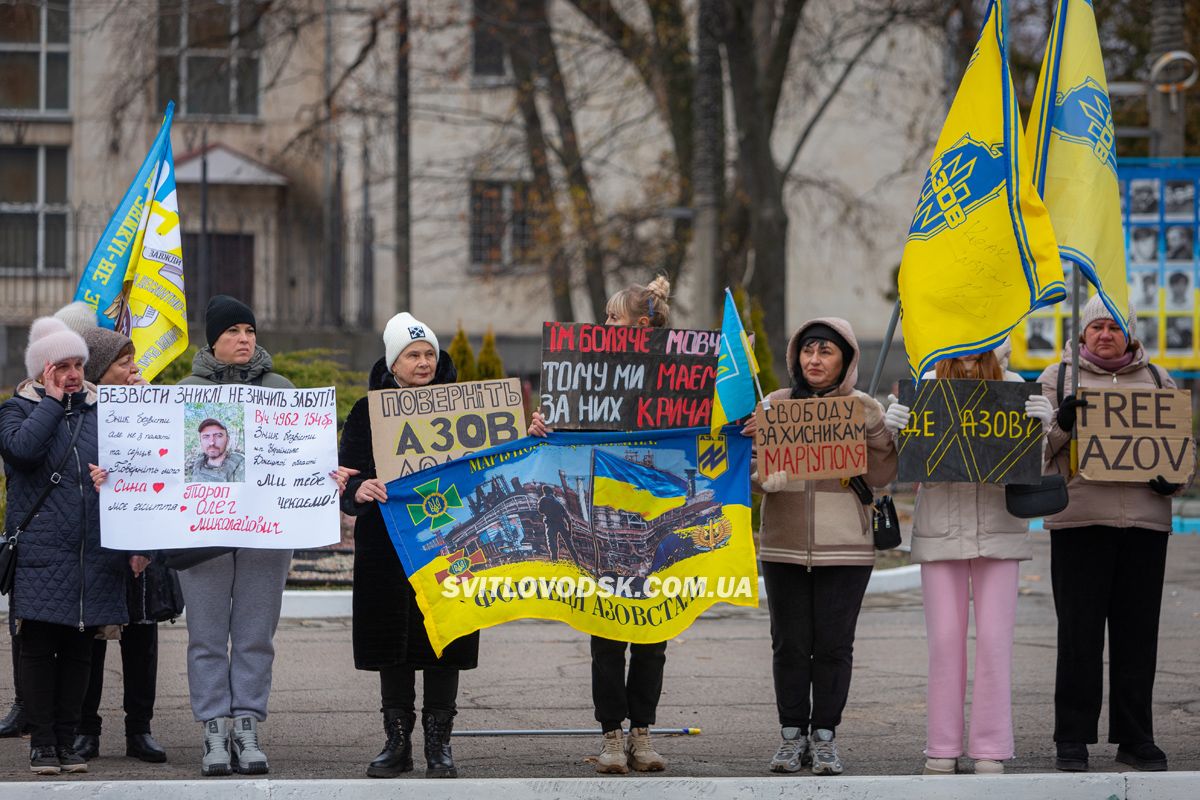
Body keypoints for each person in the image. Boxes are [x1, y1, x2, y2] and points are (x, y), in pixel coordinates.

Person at [168, 295, 351, 776]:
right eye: (233, 332)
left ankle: (246, 723)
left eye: (249, 331)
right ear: (213, 339)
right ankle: (213, 726)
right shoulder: (184, 391)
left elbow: (306, 453)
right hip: (201, 534)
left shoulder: (281, 388)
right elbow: (158, 460)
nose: (244, 339)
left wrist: (325, 476)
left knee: (255, 634)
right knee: (205, 635)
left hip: (266, 535)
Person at [1039, 295, 1195, 773]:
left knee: (1137, 638)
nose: (1105, 335)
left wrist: (1178, 478)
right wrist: (1062, 425)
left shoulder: (1157, 378)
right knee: (1078, 637)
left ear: (1129, 335)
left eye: (1114, 327)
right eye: (1096, 327)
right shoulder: (1056, 379)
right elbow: (1031, 455)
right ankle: (1073, 738)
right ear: (1082, 335)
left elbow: (1183, 448)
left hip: (1146, 526)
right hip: (1080, 521)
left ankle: (1136, 737)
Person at [882, 349, 1053, 775]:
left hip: (1000, 527)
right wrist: (894, 433)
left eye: (983, 348)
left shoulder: (1016, 389)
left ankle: (990, 746)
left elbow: (1039, 466)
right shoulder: (926, 388)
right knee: (944, 641)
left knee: (996, 642)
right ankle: (942, 745)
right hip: (941, 527)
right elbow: (901, 464)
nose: (973, 357)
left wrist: (1044, 430)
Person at [528, 277, 672, 775]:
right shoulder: (588, 378)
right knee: (607, 636)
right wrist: (544, 426)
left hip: (651, 522)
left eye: (613, 318)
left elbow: (707, 430)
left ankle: (642, 732)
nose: (605, 326)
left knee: (654, 635)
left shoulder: (679, 381)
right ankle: (611, 734)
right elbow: (563, 434)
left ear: (642, 326)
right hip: (603, 524)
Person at [749, 318, 897, 776]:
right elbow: (748, 469)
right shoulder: (772, 405)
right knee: (789, 645)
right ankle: (792, 736)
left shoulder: (861, 407)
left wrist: (876, 430)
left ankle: (826, 737)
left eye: (826, 352)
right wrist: (761, 479)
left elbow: (881, 476)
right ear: (796, 356)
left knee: (834, 646)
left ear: (846, 360)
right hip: (784, 546)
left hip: (846, 547)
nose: (814, 360)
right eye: (808, 351)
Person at [339, 312, 477, 779]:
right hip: (387, 543)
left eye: (429, 354)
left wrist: (532, 434)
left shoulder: (465, 409)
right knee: (393, 644)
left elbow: (499, 459)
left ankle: (440, 745)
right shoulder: (366, 411)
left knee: (444, 638)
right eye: (412, 355)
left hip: (448, 539)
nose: (423, 362)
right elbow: (348, 474)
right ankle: (397, 743)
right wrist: (357, 490)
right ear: (392, 363)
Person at [0, 318, 132, 775]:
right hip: (41, 552)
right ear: (42, 370)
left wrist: (111, 479)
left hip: (92, 551)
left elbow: (134, 466)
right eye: (63, 366)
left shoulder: (102, 412)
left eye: (79, 365)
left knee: (80, 650)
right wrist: (52, 404)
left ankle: (68, 739)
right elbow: (22, 452)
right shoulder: (16, 410)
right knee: (38, 648)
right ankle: (41, 743)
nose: (74, 374)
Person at [71, 326, 167, 764]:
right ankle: (85, 730)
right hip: (94, 538)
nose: (133, 368)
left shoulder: (147, 403)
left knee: (141, 636)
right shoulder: (78, 411)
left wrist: (151, 405)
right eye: (123, 362)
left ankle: (139, 729)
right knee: (92, 637)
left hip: (142, 538)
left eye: (133, 360)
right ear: (99, 370)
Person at [190, 418, 245, 482]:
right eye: (206, 436)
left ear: (227, 439)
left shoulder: (241, 465)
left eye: (218, 436)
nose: (211, 442)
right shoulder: (198, 461)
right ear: (200, 441)